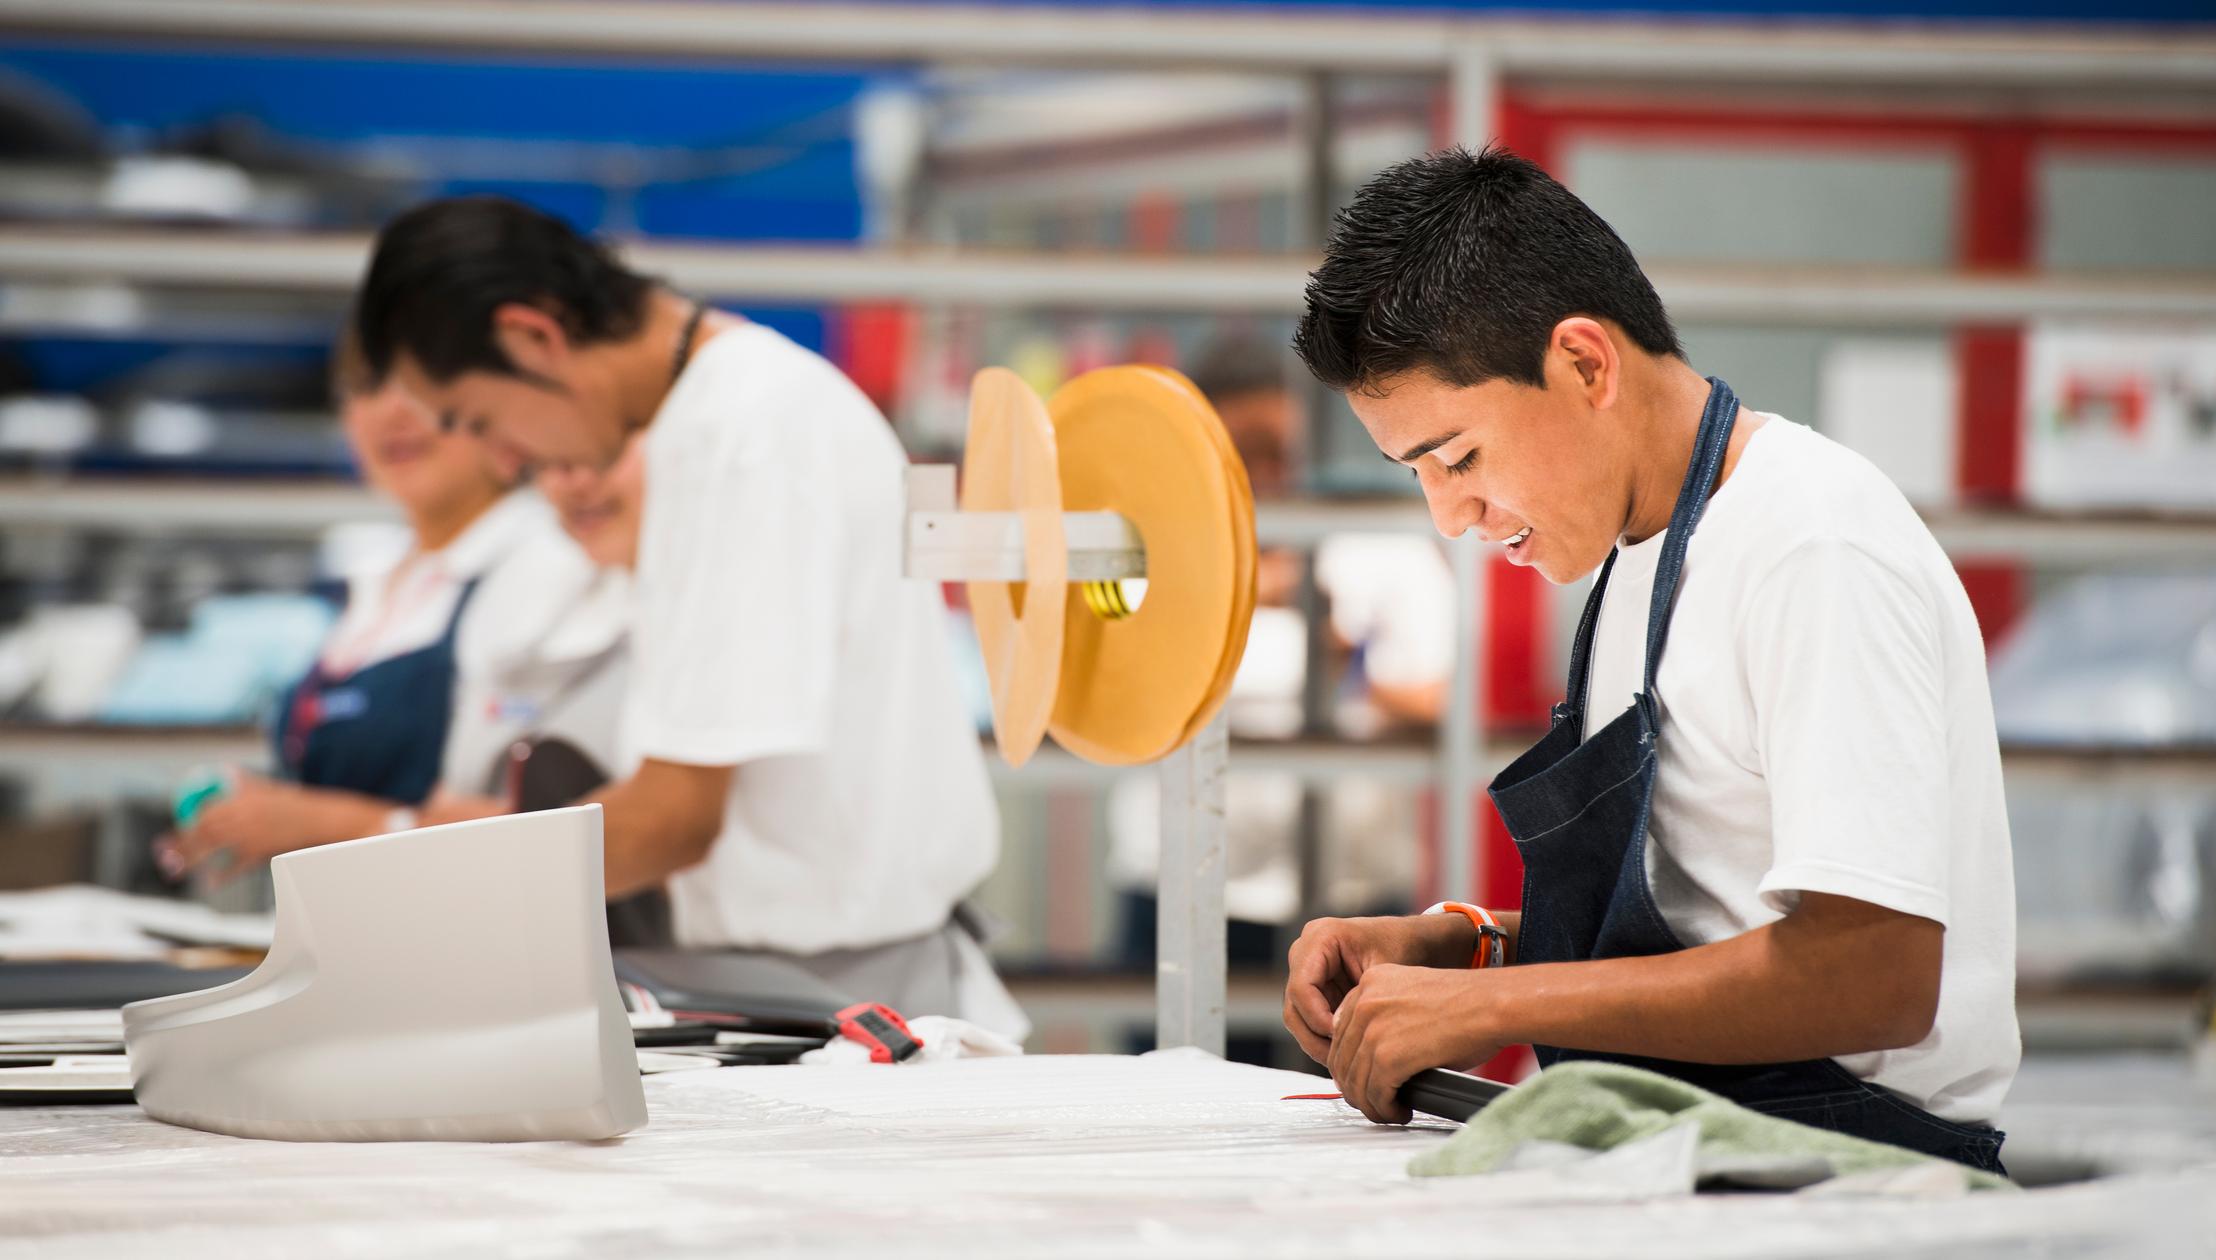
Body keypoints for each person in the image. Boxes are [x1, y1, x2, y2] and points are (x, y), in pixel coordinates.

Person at [1281, 148, 2018, 1173]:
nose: (1448, 515)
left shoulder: (1811, 545)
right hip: (1701, 1157)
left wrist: (1486, 1004)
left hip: (1848, 1184)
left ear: (1585, 364)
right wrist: (1468, 945)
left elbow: (1870, 969)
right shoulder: (1638, 556)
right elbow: (1708, 907)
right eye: (1419, 475)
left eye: (1458, 458)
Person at [353, 196, 1023, 1038]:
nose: (507, 460)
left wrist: (395, 898)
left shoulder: (747, 433)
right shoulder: (725, 416)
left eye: (484, 421)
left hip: (852, 1002)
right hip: (786, 985)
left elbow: (674, 817)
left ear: (533, 337)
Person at [164, 328, 622, 881]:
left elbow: (544, 830)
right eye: (367, 386)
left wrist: (316, 823)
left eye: (423, 387)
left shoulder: (550, 564)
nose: (392, 413)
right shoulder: (378, 578)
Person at [1108, 336, 1452, 980]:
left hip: (1359, 897)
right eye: (1244, 455)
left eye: (1281, 452)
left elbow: (1441, 708)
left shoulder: (1382, 545)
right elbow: (1108, 697)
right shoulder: (1145, 558)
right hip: (1178, 890)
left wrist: (1341, 653)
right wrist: (1220, 602)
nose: (1266, 475)